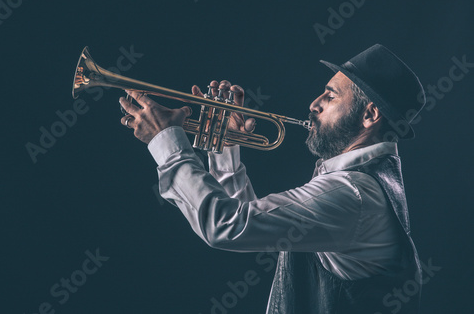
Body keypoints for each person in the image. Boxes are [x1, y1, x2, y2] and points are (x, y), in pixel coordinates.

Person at [119, 44, 424, 314]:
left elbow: (225, 226)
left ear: (369, 115)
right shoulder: (359, 183)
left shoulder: (352, 193)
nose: (314, 104)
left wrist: (166, 140)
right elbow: (252, 227)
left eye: (330, 96)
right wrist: (225, 146)